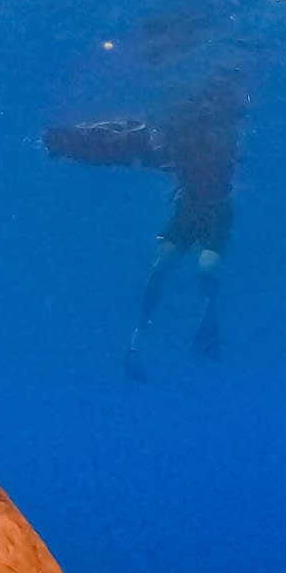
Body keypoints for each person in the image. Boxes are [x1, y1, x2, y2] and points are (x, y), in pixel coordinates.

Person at [44, 71, 245, 380]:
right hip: (196, 208)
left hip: (200, 209)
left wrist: (71, 141)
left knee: (176, 268)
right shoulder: (200, 138)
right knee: (176, 268)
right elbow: (132, 142)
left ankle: (148, 337)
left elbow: (132, 142)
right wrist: (72, 141)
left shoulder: (202, 136)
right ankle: (151, 337)